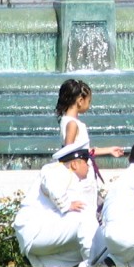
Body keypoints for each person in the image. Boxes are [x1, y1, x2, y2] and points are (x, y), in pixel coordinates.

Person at [13, 142, 98, 267]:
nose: (88, 167)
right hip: (35, 230)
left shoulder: (71, 177)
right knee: (84, 218)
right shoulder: (57, 169)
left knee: (91, 230)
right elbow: (51, 184)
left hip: (42, 230)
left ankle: (57, 266)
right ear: (75, 164)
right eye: (86, 162)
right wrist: (66, 205)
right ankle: (94, 265)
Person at [55, 78, 124, 212]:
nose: (89, 105)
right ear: (80, 101)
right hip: (81, 174)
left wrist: (109, 150)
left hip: (83, 169)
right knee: (87, 207)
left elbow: (83, 151)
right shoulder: (72, 124)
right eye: (89, 101)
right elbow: (70, 154)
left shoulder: (67, 121)